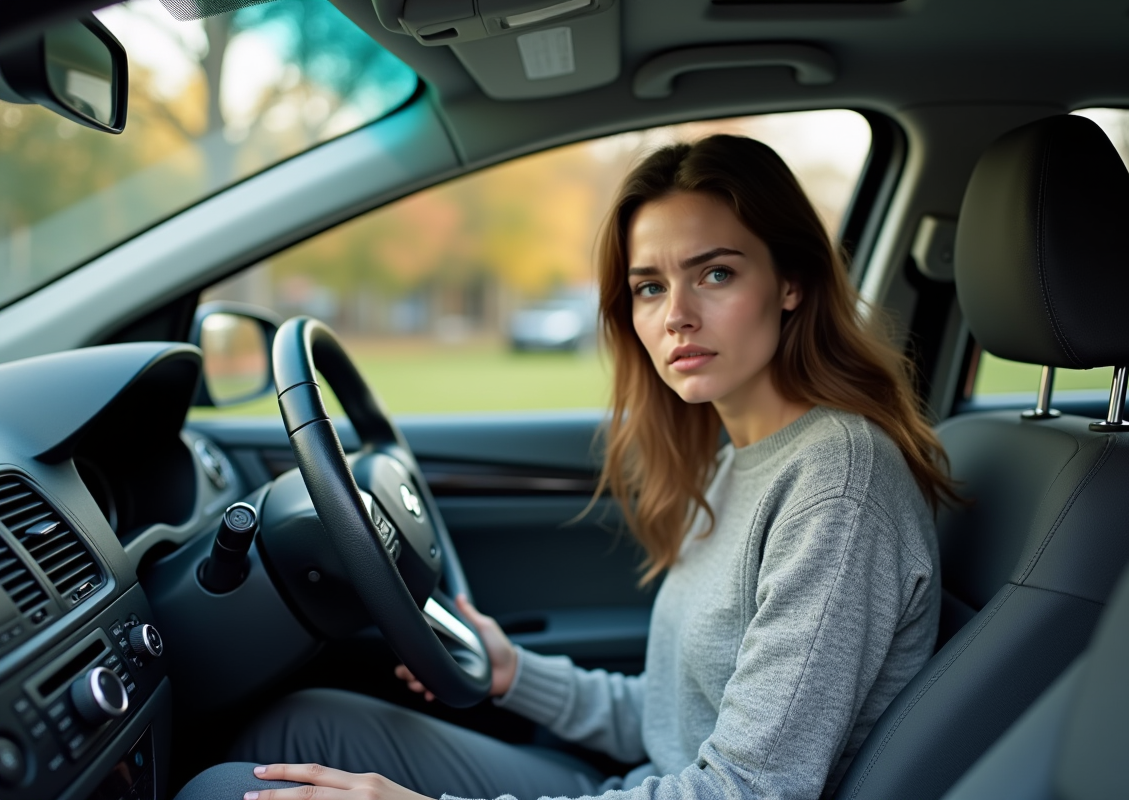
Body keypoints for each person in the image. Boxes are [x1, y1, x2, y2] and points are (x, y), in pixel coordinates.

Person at [177, 134, 954, 800]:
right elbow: (670, 718)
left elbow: (743, 790)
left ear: (790, 283)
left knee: (227, 792)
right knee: (300, 724)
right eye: (650, 287)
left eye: (715, 273)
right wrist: (515, 670)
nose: (675, 313)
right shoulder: (739, 459)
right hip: (643, 782)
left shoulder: (839, 482)